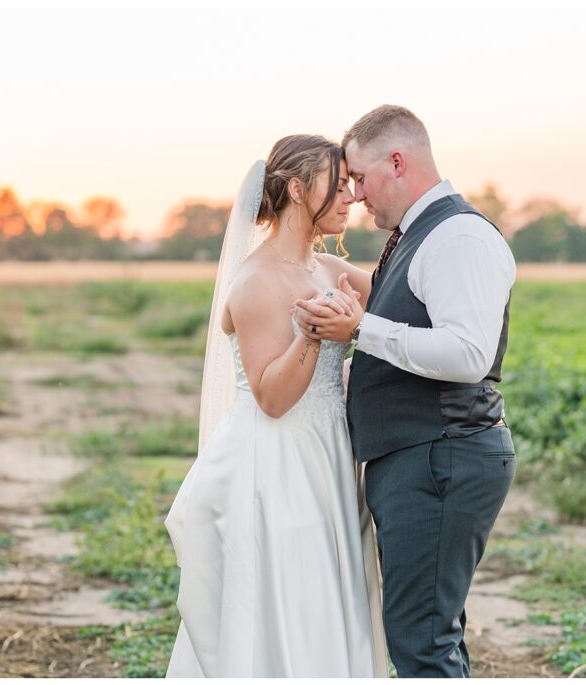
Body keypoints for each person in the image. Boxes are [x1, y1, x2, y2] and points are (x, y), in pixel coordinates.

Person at [293, 105, 517, 677]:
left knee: (421, 642)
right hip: (420, 458)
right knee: (428, 632)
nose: (358, 197)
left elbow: (468, 355)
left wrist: (360, 330)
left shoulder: (458, 237)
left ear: (398, 162)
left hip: (441, 457)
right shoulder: (417, 236)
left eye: (361, 179)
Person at [163, 134, 387, 677]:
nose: (349, 198)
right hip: (277, 463)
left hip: (329, 454)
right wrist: (312, 334)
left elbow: (398, 294)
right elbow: (272, 398)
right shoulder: (258, 280)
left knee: (334, 594)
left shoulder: (328, 271)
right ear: (295, 188)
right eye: (335, 186)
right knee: (289, 600)